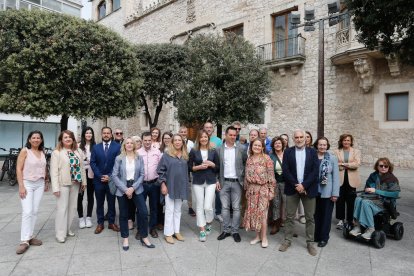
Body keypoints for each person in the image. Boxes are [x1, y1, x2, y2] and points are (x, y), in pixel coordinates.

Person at [279, 129, 319, 256]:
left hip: (308, 189)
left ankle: (310, 242)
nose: (299, 139)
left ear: (305, 138)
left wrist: (304, 185)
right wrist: (296, 185)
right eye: (297, 137)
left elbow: (315, 171)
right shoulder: (288, 152)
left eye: (302, 137)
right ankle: (287, 240)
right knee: (289, 217)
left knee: (310, 218)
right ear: (293, 138)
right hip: (292, 188)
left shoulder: (312, 152)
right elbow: (285, 170)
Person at [112, 137, 155, 250]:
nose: (130, 145)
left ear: (134, 145)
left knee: (144, 212)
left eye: (132, 143)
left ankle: (144, 236)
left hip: (137, 188)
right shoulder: (119, 158)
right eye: (127, 143)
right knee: (124, 214)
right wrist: (126, 189)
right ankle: (125, 238)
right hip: (122, 188)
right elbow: (114, 175)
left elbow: (142, 174)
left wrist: (133, 188)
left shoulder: (139, 158)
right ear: (124, 145)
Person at [15, 131, 49, 254]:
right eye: (33, 138)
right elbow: (18, 168)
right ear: (29, 140)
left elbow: (44, 167)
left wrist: (46, 180)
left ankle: (30, 236)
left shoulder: (42, 151)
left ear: (41, 140)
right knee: (27, 211)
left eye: (38, 138)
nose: (36, 139)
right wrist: (21, 186)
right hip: (27, 183)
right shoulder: (25, 151)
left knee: (34, 211)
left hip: (39, 184)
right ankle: (24, 240)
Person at [350, 158, 400, 240]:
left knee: (365, 202)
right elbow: (367, 187)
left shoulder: (392, 179)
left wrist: (376, 191)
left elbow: (395, 194)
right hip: (372, 198)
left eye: (386, 166)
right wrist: (367, 190)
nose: (383, 167)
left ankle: (370, 229)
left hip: (384, 203)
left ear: (389, 167)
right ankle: (358, 226)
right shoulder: (373, 176)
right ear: (377, 167)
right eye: (381, 166)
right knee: (358, 199)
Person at [51, 130, 87, 243]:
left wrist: (84, 182)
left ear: (73, 139)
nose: (68, 139)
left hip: (75, 183)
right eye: (65, 137)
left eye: (70, 137)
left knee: (72, 207)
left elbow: (82, 168)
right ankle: (60, 234)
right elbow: (54, 172)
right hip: (63, 184)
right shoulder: (57, 152)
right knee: (62, 208)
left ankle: (67, 229)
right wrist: (55, 188)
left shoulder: (78, 151)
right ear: (61, 139)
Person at [243, 138, 276, 248]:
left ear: (262, 147)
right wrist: (247, 190)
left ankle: (264, 237)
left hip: (263, 189)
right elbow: (246, 177)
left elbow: (271, 176)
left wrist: (271, 191)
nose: (256, 147)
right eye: (254, 145)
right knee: (254, 215)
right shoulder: (249, 159)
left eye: (259, 145)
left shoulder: (267, 159)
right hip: (252, 190)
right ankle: (257, 236)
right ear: (251, 147)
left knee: (262, 215)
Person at [217, 126, 247, 243]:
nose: (233, 137)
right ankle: (226, 230)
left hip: (237, 183)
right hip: (224, 182)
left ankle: (235, 231)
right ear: (226, 135)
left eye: (235, 135)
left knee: (236, 208)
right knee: (224, 208)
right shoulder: (219, 149)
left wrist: (243, 177)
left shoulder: (241, 148)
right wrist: (217, 180)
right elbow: (217, 166)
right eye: (231, 135)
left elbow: (245, 163)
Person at [157, 134, 189, 244]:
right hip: (169, 186)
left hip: (181, 186)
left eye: (179, 140)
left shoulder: (185, 155)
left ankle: (176, 231)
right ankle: (168, 233)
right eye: (175, 140)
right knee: (169, 210)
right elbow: (160, 171)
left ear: (182, 142)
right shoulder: (166, 155)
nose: (177, 142)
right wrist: (163, 184)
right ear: (172, 142)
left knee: (178, 210)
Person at [188, 130, 219, 242]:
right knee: (199, 206)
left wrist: (212, 164)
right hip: (197, 181)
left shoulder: (213, 150)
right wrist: (198, 167)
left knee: (208, 206)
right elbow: (189, 167)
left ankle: (209, 222)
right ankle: (202, 230)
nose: (204, 139)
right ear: (198, 139)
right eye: (201, 137)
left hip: (211, 181)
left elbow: (218, 167)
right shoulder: (193, 151)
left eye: (205, 137)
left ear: (208, 138)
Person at [90, 127, 121, 234]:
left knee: (112, 202)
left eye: (108, 133)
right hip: (99, 181)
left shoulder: (117, 147)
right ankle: (100, 223)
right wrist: (100, 176)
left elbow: (118, 164)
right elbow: (92, 163)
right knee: (99, 203)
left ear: (111, 134)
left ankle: (112, 223)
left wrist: (109, 176)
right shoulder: (95, 147)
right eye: (104, 133)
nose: (106, 135)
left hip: (111, 180)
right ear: (101, 134)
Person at [313, 137, 339, 247]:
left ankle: (324, 238)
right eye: (320, 144)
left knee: (326, 216)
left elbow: (336, 177)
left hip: (327, 192)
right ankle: (317, 235)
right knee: (316, 215)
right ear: (316, 145)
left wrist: (335, 193)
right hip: (314, 190)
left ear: (327, 145)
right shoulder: (312, 156)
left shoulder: (332, 158)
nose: (322, 146)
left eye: (324, 145)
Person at [137, 132, 162, 240]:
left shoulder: (157, 152)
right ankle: (140, 229)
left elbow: (162, 167)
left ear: (152, 140)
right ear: (142, 141)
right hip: (141, 184)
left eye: (149, 140)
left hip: (154, 183)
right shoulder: (137, 152)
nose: (147, 142)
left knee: (154, 208)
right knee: (140, 209)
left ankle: (152, 228)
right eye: (145, 140)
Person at [333, 134, 361, 230]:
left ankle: (350, 220)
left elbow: (356, 164)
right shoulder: (336, 151)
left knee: (351, 200)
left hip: (352, 180)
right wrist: (348, 165)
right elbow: (335, 164)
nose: (346, 142)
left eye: (348, 140)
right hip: (339, 179)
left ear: (351, 141)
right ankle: (341, 220)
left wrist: (343, 164)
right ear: (341, 141)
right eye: (344, 140)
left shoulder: (356, 151)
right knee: (340, 200)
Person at [204, 121, 223, 222]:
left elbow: (220, 156)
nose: (208, 129)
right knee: (204, 194)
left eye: (210, 127)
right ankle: (204, 213)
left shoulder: (218, 141)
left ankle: (218, 213)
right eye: (206, 127)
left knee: (218, 192)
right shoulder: (200, 139)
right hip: (203, 171)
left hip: (215, 170)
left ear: (213, 129)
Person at [77, 127, 96, 229]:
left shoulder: (95, 146)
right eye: (87, 133)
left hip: (92, 174)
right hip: (81, 173)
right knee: (80, 196)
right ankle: (81, 218)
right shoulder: (78, 146)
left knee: (90, 196)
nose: (89, 135)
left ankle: (88, 217)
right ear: (84, 134)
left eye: (90, 133)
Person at [269, 136, 286, 235]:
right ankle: (276, 224)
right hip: (275, 182)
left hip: (286, 183)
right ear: (273, 145)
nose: (278, 145)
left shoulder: (287, 154)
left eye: (279, 143)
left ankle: (289, 227)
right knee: (276, 204)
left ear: (282, 144)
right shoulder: (271, 156)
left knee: (288, 205)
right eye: (275, 143)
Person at [179, 126, 196, 217]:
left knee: (189, 188)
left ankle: (190, 207)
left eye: (185, 132)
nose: (183, 133)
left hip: (187, 168)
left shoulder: (191, 143)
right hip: (179, 167)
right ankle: (178, 207)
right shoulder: (176, 142)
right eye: (181, 132)